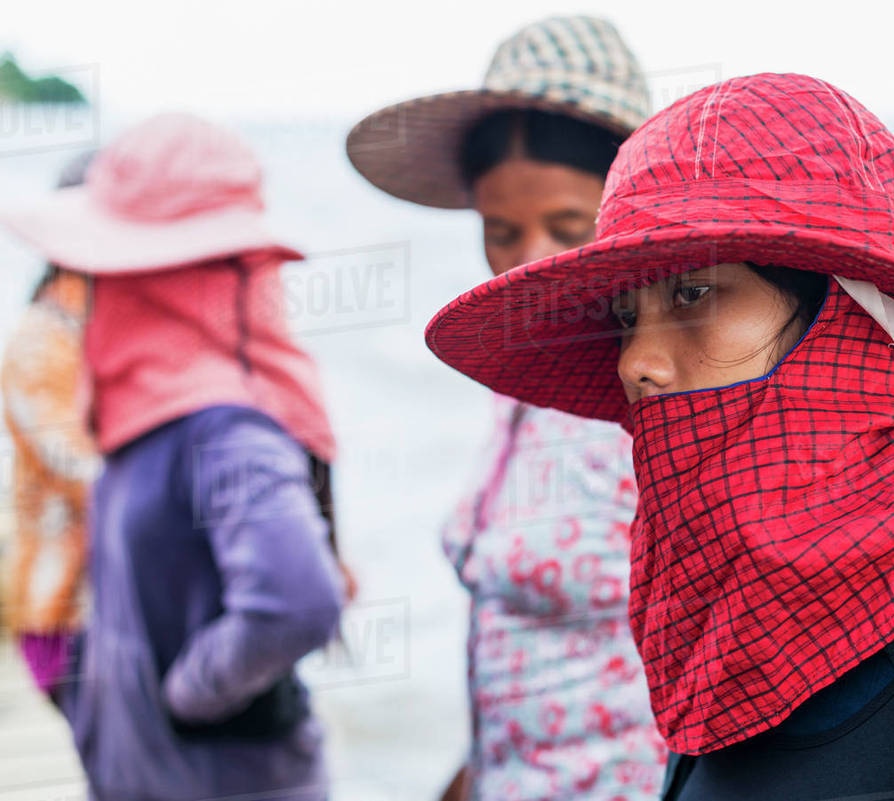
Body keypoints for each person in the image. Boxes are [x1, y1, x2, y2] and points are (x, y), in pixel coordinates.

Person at [424, 74, 894, 799]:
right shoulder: (715, 628)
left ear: (846, 321)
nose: (636, 359)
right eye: (628, 315)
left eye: (694, 292)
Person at [347, 15, 665, 801]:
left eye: (565, 227)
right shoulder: (517, 383)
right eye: (500, 231)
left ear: (627, 210)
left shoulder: (661, 388)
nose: (528, 263)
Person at [0, 113, 345, 801]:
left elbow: (299, 603)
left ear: (150, 278)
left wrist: (190, 691)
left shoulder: (221, 428)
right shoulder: (146, 410)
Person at [1, 151, 99, 705]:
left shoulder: (90, 320)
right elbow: (84, 474)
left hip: (104, 604)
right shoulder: (43, 340)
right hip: (63, 610)